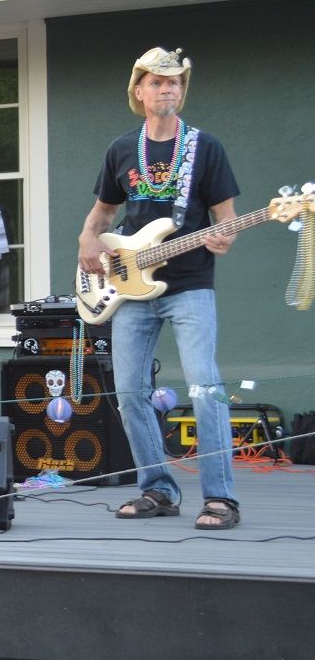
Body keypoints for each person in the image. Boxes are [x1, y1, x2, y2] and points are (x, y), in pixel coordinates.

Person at [79, 47, 241, 530]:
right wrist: (87, 239)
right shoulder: (121, 148)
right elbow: (103, 213)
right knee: (130, 391)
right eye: (156, 81)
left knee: (205, 388)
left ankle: (220, 498)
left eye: (174, 82)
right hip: (130, 286)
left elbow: (227, 219)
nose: (166, 88)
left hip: (190, 285)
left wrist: (224, 237)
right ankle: (158, 490)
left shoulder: (206, 147)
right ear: (139, 91)